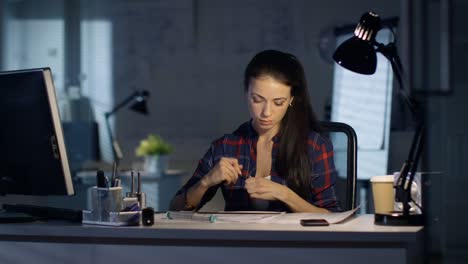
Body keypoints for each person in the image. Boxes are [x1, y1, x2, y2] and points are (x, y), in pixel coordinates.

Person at [169, 49, 341, 213]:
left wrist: (285, 194)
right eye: (257, 100)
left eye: (278, 102)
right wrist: (206, 182)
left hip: (294, 243)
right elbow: (175, 209)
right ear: (246, 93)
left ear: (291, 100)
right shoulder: (226, 146)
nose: (266, 112)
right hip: (240, 242)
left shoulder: (314, 146)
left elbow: (331, 215)